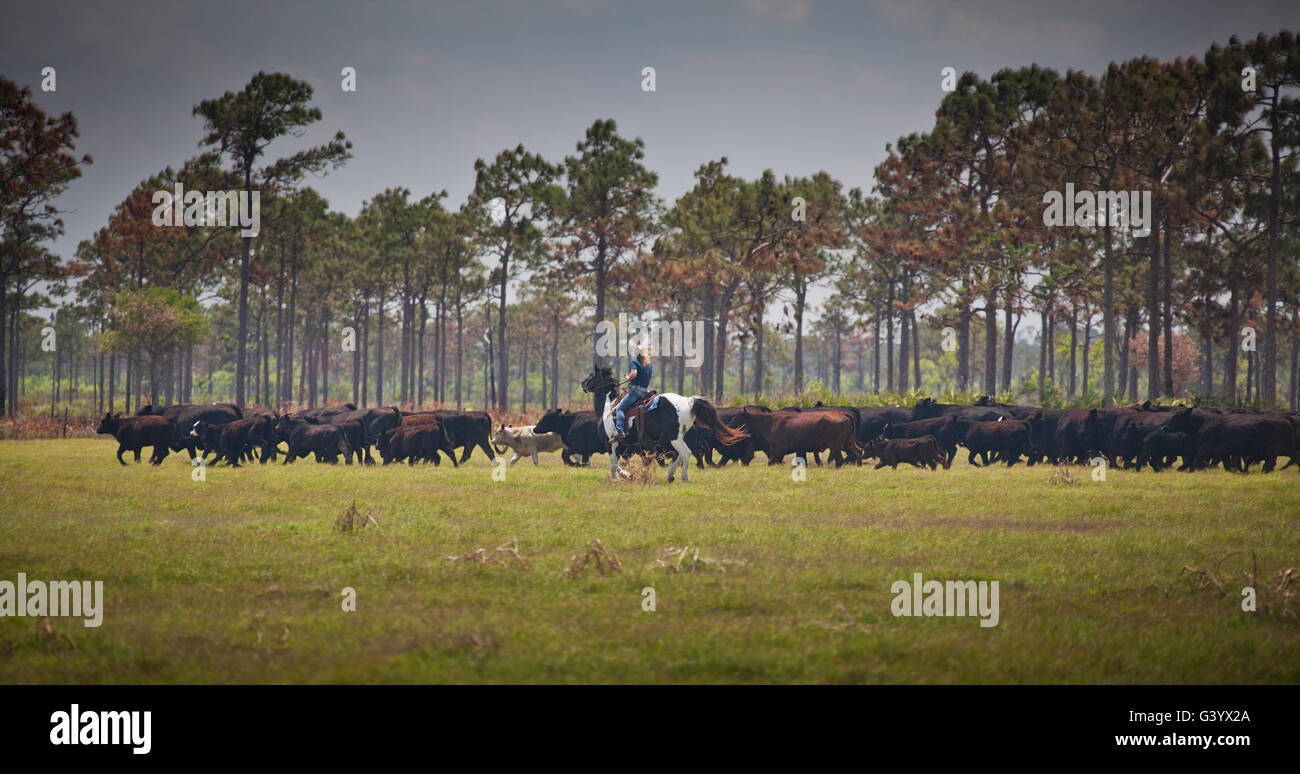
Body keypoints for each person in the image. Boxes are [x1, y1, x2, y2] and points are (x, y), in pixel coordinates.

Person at [612, 346, 653, 443]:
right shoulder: (649, 365)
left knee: (620, 409)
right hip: (645, 390)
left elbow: (634, 373)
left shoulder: (634, 362)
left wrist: (628, 377)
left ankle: (620, 431)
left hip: (635, 391)